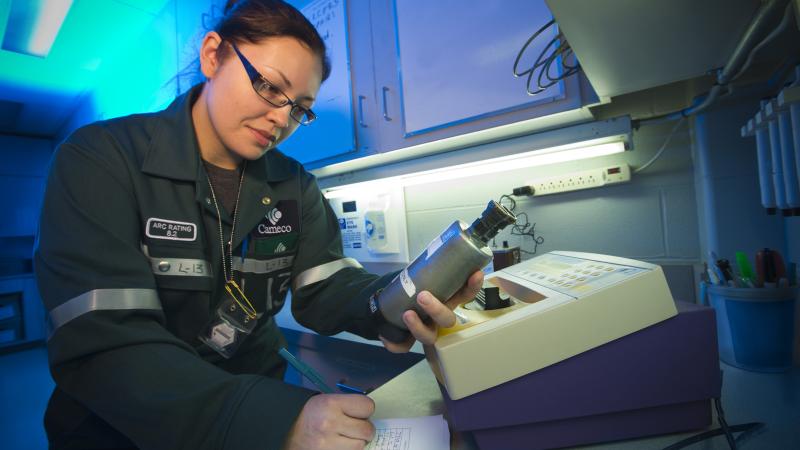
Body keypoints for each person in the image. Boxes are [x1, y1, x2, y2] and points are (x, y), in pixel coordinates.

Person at [35, 0, 483, 448]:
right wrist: (275, 419)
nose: (281, 119)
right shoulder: (101, 159)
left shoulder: (294, 185)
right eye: (269, 86)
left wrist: (405, 298)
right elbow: (107, 342)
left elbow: (327, 289)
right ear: (213, 55)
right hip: (121, 431)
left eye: (300, 109)